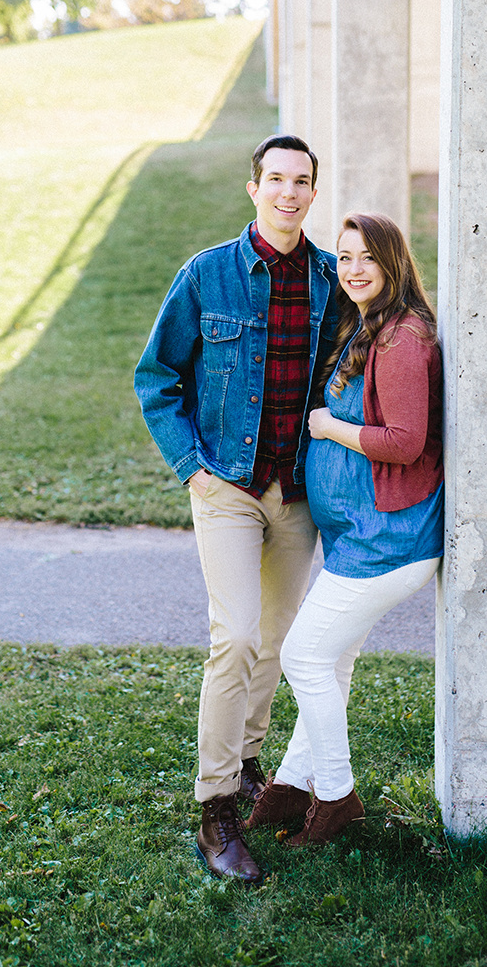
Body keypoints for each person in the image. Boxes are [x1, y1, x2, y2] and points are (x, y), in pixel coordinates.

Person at [134, 134, 337, 884]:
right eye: (276, 179)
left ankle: (249, 761)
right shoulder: (207, 276)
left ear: (314, 193)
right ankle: (215, 805)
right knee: (236, 637)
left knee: (275, 639)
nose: (289, 192)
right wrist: (192, 469)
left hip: (296, 493)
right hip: (225, 487)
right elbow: (156, 376)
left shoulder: (328, 281)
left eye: (302, 181)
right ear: (253, 187)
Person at [246, 212, 444, 846]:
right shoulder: (370, 327)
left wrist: (329, 428)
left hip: (390, 539)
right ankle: (290, 786)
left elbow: (407, 442)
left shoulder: (403, 339)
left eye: (368, 258)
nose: (354, 269)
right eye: (346, 256)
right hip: (360, 538)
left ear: (393, 264)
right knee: (331, 660)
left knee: (304, 655)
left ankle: (336, 797)